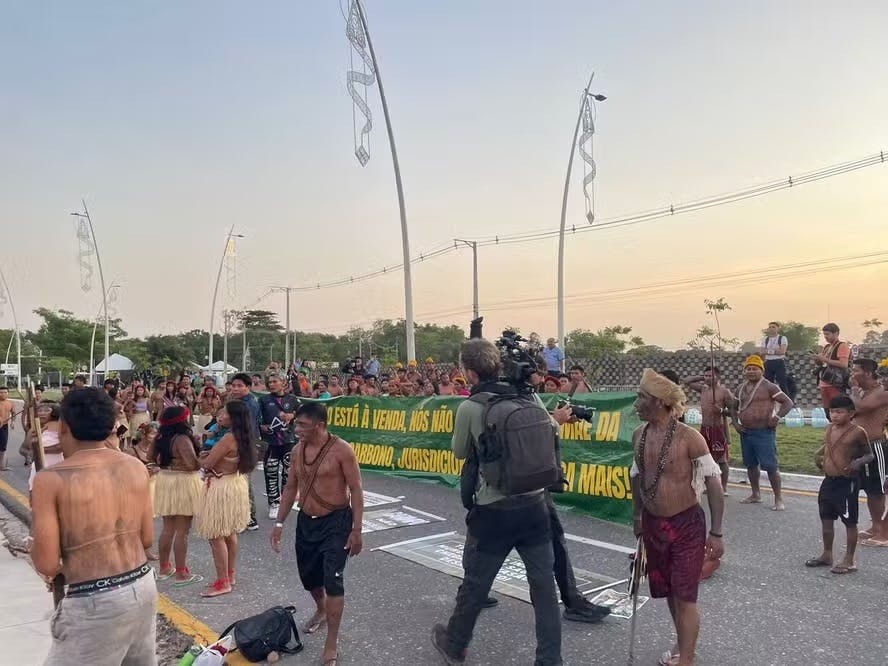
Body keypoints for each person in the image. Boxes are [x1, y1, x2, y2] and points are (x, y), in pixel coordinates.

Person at [432, 338, 563, 666]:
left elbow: (460, 451)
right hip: (535, 505)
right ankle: (550, 659)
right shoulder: (527, 397)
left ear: (471, 374)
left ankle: (456, 644)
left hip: (494, 509)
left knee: (476, 585)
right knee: (545, 589)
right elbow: (553, 430)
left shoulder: (470, 406)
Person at [31, 388, 158, 665]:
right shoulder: (135, 466)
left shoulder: (50, 480)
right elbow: (147, 539)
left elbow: (47, 563)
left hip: (94, 600)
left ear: (64, 425)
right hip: (142, 585)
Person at [630, 369, 725, 666]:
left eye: (641, 398)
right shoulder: (638, 435)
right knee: (670, 592)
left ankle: (686, 658)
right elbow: (635, 476)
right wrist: (637, 516)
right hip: (653, 525)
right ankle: (683, 643)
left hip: (686, 526)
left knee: (685, 596)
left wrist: (717, 533)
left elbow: (713, 481)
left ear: (659, 402)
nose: (636, 404)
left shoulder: (690, 438)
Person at [271, 402, 364, 666]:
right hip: (306, 522)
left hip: (336, 522)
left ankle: (331, 643)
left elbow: (356, 490)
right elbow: (290, 488)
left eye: (302, 424)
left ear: (320, 425)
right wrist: (279, 523)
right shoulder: (297, 450)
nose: (296, 428)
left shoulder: (342, 450)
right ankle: (321, 608)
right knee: (309, 577)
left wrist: (357, 530)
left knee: (333, 579)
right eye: (296, 424)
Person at [196, 400, 257, 597]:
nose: (220, 416)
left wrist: (201, 457)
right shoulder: (244, 437)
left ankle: (223, 582)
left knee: (216, 535)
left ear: (234, 418)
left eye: (224, 413)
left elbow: (207, 464)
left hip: (221, 487)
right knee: (230, 532)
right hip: (236, 483)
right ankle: (230, 575)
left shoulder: (228, 439)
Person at [806, 395, 872, 574]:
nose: (834, 415)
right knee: (826, 518)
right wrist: (818, 455)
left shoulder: (858, 431)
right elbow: (828, 446)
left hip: (847, 482)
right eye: (832, 412)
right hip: (829, 481)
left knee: (850, 521)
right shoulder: (829, 428)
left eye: (839, 412)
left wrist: (857, 463)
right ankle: (827, 554)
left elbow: (869, 455)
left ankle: (849, 560)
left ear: (851, 413)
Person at [731, 355, 794, 511]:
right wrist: (735, 424)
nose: (751, 371)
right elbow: (733, 407)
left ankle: (778, 498)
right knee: (751, 465)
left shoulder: (769, 386)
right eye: (748, 369)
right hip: (746, 432)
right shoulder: (740, 388)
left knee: (770, 466)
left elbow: (788, 402)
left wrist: (777, 417)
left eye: (754, 369)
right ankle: (755, 494)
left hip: (764, 432)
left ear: (762, 370)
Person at [153, 406, 203, 585]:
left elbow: (151, 456)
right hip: (183, 481)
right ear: (182, 420)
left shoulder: (160, 436)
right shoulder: (182, 438)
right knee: (182, 531)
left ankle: (164, 568)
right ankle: (182, 572)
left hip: (165, 479)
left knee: (167, 528)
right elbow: (192, 464)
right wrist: (203, 456)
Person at [849, 358, 888, 546]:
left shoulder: (881, 392)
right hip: (861, 446)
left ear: (868, 373)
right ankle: (876, 525)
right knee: (868, 489)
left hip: (875, 445)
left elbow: (860, 408)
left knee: (877, 489)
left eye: (855, 370)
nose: (852, 374)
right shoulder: (864, 392)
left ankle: (882, 531)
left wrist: (854, 391)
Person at [683, 367, 735, 493]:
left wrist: (721, 411)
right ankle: (708, 485)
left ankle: (723, 487)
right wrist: (703, 377)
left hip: (718, 429)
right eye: (705, 375)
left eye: (710, 376)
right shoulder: (703, 389)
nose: (707, 378)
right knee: (704, 458)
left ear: (718, 377)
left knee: (722, 460)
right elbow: (686, 381)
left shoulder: (724, 392)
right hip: (705, 428)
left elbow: (733, 411)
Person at [259, 373, 299, 520]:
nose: (271, 384)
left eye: (275, 381)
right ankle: (273, 503)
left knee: (289, 474)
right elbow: (258, 419)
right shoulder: (263, 400)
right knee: (271, 472)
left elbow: (302, 413)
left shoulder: (292, 399)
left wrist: (292, 415)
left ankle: (284, 501)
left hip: (288, 442)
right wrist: (262, 427)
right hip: (271, 443)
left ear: (283, 383)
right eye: (269, 382)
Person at [229, 373, 261, 530]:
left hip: (244, 445)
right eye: (234, 385)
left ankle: (249, 518)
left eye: (239, 386)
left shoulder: (248, 404)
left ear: (248, 387)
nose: (235, 388)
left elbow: (244, 428)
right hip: (241, 444)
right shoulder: (240, 401)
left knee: (243, 482)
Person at [130, 421, 161, 560]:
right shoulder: (132, 450)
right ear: (144, 434)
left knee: (148, 520)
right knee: (136, 520)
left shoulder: (156, 449)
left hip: (154, 485)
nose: (155, 436)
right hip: (138, 486)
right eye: (153, 433)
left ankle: (145, 549)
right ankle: (136, 548)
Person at [814, 323, 851, 417]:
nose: (826, 337)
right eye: (824, 334)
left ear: (836, 334)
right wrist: (817, 359)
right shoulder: (826, 347)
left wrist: (825, 359)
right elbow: (823, 363)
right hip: (824, 381)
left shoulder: (842, 346)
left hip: (835, 382)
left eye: (828, 334)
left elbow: (843, 364)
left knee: (838, 409)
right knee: (828, 412)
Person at [28, 402, 63, 491]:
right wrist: (32, 435)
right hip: (39, 464)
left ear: (54, 412)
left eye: (46, 410)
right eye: (40, 410)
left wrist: (40, 449)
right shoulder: (39, 427)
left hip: (54, 464)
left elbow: (60, 448)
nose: (42, 413)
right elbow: (28, 446)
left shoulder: (59, 425)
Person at [759, 322, 789, 395]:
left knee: (782, 383)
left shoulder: (782, 338)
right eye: (770, 327)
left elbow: (782, 351)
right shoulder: (765, 339)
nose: (771, 329)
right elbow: (762, 351)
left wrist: (768, 351)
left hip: (779, 362)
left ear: (778, 329)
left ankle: (787, 401)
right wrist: (775, 351)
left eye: (773, 327)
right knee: (768, 383)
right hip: (768, 362)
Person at [0, 386, 14, 471]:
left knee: (3, 447)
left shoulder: (10, 403)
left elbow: (13, 412)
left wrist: (13, 422)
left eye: (5, 392)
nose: (3, 394)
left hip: (4, 426)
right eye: (1, 392)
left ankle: (1, 466)